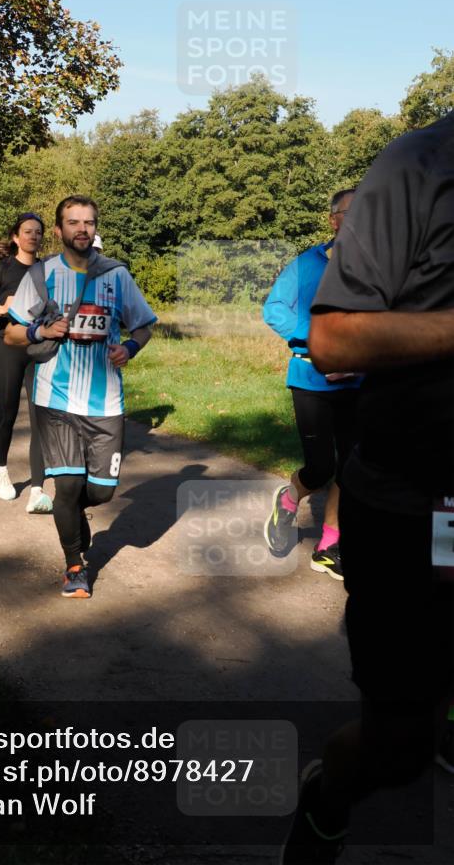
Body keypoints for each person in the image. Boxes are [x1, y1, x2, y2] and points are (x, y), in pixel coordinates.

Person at [279, 112, 454, 864]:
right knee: (401, 744)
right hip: (418, 502)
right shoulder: (419, 165)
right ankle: (327, 799)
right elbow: (326, 336)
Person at [5, 195, 157, 597]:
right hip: (54, 398)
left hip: (105, 402)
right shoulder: (41, 276)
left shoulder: (117, 276)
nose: (82, 229)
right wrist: (41, 331)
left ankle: (75, 514)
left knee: (101, 492)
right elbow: (11, 333)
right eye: (73, 222)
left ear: (95, 228)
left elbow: (143, 325)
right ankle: (75, 566)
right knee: (67, 487)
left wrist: (130, 348)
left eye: (88, 222)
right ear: (59, 231)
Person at [262, 189, 362, 580]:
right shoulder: (306, 265)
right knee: (320, 469)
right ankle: (289, 501)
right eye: (352, 212)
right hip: (311, 379)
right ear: (333, 219)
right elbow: (273, 310)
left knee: (352, 466)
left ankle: (328, 544)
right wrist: (320, 336)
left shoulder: (376, 267)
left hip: (358, 381)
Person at [0, 213, 52, 514]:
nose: (34, 236)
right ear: (16, 237)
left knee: (39, 417)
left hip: (39, 349)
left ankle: (37, 490)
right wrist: (4, 307)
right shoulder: (2, 269)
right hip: (7, 346)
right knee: (8, 412)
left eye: (38, 232)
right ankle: (1, 467)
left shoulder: (48, 270)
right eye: (28, 231)